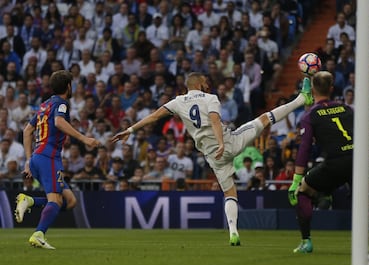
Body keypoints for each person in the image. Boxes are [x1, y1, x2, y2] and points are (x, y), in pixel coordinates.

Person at [111, 72, 313, 246]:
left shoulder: (178, 102)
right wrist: (222, 143)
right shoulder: (210, 98)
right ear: (199, 84)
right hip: (229, 143)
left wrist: (129, 129)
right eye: (205, 82)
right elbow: (215, 120)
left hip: (212, 156)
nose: (208, 84)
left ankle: (233, 232)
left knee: (229, 192)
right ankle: (301, 100)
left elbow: (154, 117)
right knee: (263, 119)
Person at [287, 71, 369, 255]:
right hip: (357, 163)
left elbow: (304, 149)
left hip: (334, 164)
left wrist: (296, 179)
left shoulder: (309, 116)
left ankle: (306, 241)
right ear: (332, 88)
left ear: (312, 91)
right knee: (368, 206)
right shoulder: (348, 109)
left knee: (303, 192)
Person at [14, 70, 100, 249]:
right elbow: (59, 122)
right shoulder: (62, 104)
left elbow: (27, 131)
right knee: (55, 201)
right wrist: (85, 139)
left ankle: (29, 201)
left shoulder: (44, 105)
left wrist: (29, 160)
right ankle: (39, 234)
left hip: (38, 158)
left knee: (70, 201)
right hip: (49, 158)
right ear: (68, 86)